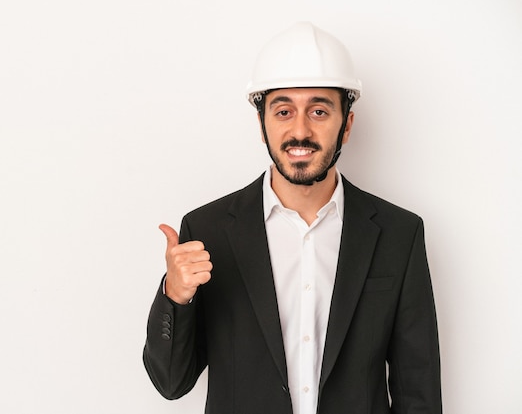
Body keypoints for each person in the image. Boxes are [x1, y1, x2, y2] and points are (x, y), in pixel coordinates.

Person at [142, 21, 442, 414]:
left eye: (319, 110)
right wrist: (176, 296)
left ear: (347, 124)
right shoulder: (208, 231)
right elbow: (171, 383)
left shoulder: (398, 234)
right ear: (262, 123)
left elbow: (418, 392)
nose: (300, 130)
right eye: (283, 111)